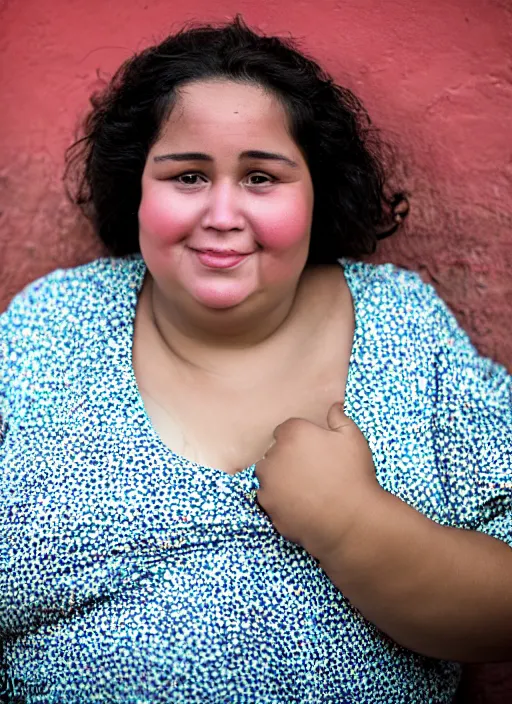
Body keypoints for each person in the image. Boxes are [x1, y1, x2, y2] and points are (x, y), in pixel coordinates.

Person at [0, 13, 511, 704]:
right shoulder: (52, 324)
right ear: (138, 191)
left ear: (316, 192)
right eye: (186, 175)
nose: (221, 212)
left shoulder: (401, 326)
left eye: (262, 178)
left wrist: (352, 522)